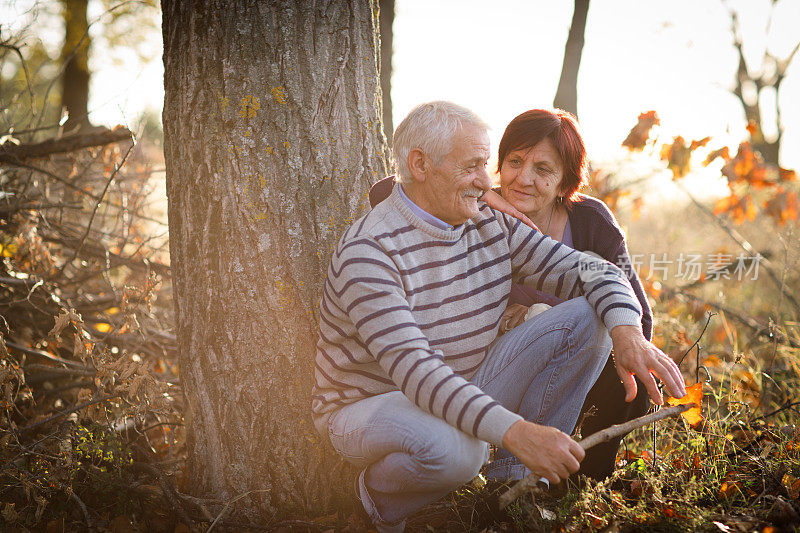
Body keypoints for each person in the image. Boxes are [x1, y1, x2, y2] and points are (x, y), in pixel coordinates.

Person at [313, 101, 685, 532]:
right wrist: (518, 432)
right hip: (373, 404)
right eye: (473, 166)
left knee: (587, 315)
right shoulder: (369, 252)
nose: (485, 181)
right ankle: (373, 504)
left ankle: (515, 490)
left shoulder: (490, 221)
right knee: (461, 453)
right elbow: (417, 373)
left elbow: (594, 271)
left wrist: (628, 333)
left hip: (466, 379)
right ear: (420, 165)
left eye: (485, 165)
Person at [370, 108, 653, 481]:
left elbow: (636, 311)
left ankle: (581, 480)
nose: (524, 178)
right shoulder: (472, 206)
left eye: (543, 169)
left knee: (629, 368)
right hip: (490, 363)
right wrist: (486, 192)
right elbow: (383, 191)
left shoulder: (590, 221)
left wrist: (620, 339)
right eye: (514, 162)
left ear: (566, 179)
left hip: (575, 361)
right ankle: (510, 472)